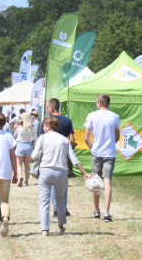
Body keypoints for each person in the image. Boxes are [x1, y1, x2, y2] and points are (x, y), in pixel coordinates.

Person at [33, 117, 91, 236]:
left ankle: (45, 229)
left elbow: (33, 156)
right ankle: (60, 226)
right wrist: (84, 172)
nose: (43, 128)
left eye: (44, 126)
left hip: (45, 171)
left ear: (49, 126)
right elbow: (73, 157)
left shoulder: (42, 138)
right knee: (60, 201)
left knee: (44, 202)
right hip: (61, 172)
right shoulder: (64, 140)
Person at [84, 94, 120, 222]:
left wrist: (92, 148)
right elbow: (117, 137)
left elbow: (86, 138)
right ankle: (106, 213)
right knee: (107, 181)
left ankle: (96, 211)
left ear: (99, 103)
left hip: (96, 152)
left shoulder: (92, 116)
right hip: (109, 153)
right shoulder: (115, 116)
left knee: (95, 181)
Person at [46, 98, 76, 216]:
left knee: (53, 184)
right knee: (63, 183)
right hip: (63, 155)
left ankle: (56, 209)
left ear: (52, 108)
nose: (47, 109)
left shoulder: (47, 122)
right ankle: (63, 207)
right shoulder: (67, 120)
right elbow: (72, 140)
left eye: (47, 107)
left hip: (50, 155)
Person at [13, 113, 37, 187]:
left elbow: (14, 136)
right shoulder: (32, 128)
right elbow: (36, 139)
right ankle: (26, 181)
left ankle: (20, 177)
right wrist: (34, 147)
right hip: (28, 145)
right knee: (27, 165)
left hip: (20, 145)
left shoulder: (19, 128)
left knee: (19, 164)